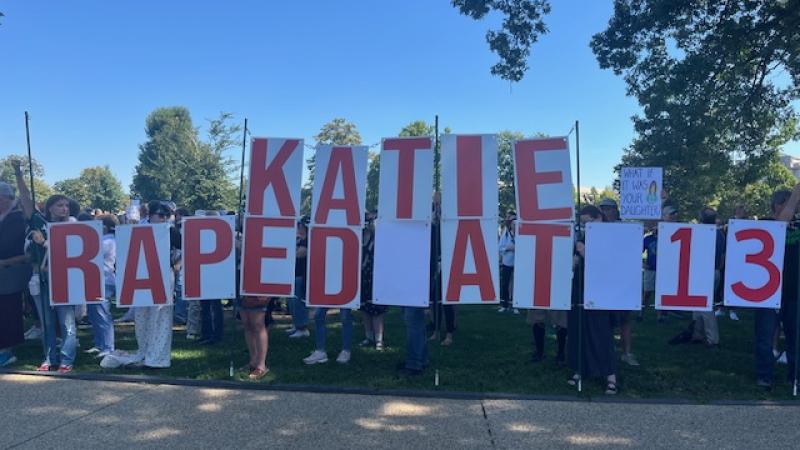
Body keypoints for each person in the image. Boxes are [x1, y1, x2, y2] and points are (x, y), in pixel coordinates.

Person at [13, 161, 78, 373]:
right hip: (41, 279)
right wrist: (19, 175)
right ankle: (49, 358)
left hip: (63, 279)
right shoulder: (39, 223)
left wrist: (44, 242)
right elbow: (26, 201)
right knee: (47, 323)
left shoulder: (73, 226)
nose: (64, 208)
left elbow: (72, 253)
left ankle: (67, 359)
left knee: (66, 322)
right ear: (49, 207)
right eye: (60, 205)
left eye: (66, 205)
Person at [567, 205, 618, 395]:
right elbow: (575, 263)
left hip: (601, 291)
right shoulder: (583, 237)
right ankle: (580, 369)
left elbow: (607, 265)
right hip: (580, 289)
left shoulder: (610, 237)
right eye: (583, 224)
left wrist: (585, 253)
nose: (586, 227)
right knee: (579, 330)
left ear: (599, 218)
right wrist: (575, 259)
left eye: (589, 222)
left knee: (601, 332)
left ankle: (610, 376)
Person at [754, 186, 800, 389]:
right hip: (768, 291)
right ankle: (765, 375)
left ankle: (795, 376)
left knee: (795, 337)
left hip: (793, 291)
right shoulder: (766, 224)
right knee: (764, 337)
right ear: (778, 205)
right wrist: (797, 191)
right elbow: (781, 224)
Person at [129, 201, 180, 368]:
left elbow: (185, 249)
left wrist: (176, 263)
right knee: (141, 316)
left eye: (167, 215)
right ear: (150, 215)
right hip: (142, 277)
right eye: (160, 215)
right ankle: (144, 352)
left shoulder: (171, 231)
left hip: (163, 275)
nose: (164, 218)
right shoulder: (138, 230)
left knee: (160, 316)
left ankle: (157, 357)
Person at [599, 198, 639, 366]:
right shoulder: (596, 228)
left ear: (615, 210)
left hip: (623, 279)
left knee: (625, 319)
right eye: (602, 209)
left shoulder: (627, 228)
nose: (605, 212)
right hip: (603, 280)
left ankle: (627, 353)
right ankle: (604, 353)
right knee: (604, 320)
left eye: (608, 208)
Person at [0, 180, 30, 367]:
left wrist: (6, 262)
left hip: (13, 270)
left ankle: (7, 349)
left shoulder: (20, 218)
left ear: (7, 198)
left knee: (8, 309)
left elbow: (29, 252)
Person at [84, 214, 117, 358]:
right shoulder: (105, 240)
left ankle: (108, 347)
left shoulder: (107, 241)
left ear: (104, 226)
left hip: (104, 280)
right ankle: (99, 343)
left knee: (102, 314)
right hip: (95, 280)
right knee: (94, 314)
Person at [691, 207, 721, 348]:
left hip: (704, 271)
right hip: (715, 271)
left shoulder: (699, 232)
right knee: (697, 303)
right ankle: (697, 333)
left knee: (705, 305)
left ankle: (712, 338)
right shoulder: (719, 233)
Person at [359, 216, 388, 350]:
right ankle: (368, 336)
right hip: (362, 276)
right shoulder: (358, 238)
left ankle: (379, 339)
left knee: (377, 310)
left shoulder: (379, 239)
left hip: (375, 276)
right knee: (364, 309)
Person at [199, 211, 224, 345]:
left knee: (215, 306)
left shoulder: (222, 236)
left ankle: (216, 335)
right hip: (203, 274)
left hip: (216, 275)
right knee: (205, 306)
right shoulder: (201, 235)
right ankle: (206, 334)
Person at [286, 219, 310, 339]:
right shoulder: (299, 240)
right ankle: (296, 324)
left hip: (301, 274)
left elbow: (299, 254)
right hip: (294, 274)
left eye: (299, 226)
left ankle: (303, 327)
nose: (297, 228)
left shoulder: (307, 240)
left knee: (299, 301)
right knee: (292, 302)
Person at [239, 295, 271, 380]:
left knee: (257, 325)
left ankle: (261, 365)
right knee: (247, 324)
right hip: (240, 291)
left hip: (257, 291)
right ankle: (253, 361)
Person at [498, 210, 518, 314]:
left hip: (519, 263)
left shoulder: (522, 232)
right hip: (507, 262)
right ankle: (504, 305)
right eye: (512, 221)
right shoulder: (505, 232)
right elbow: (500, 247)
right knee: (505, 284)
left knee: (517, 285)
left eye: (515, 220)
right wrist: (508, 248)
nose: (514, 222)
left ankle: (516, 305)